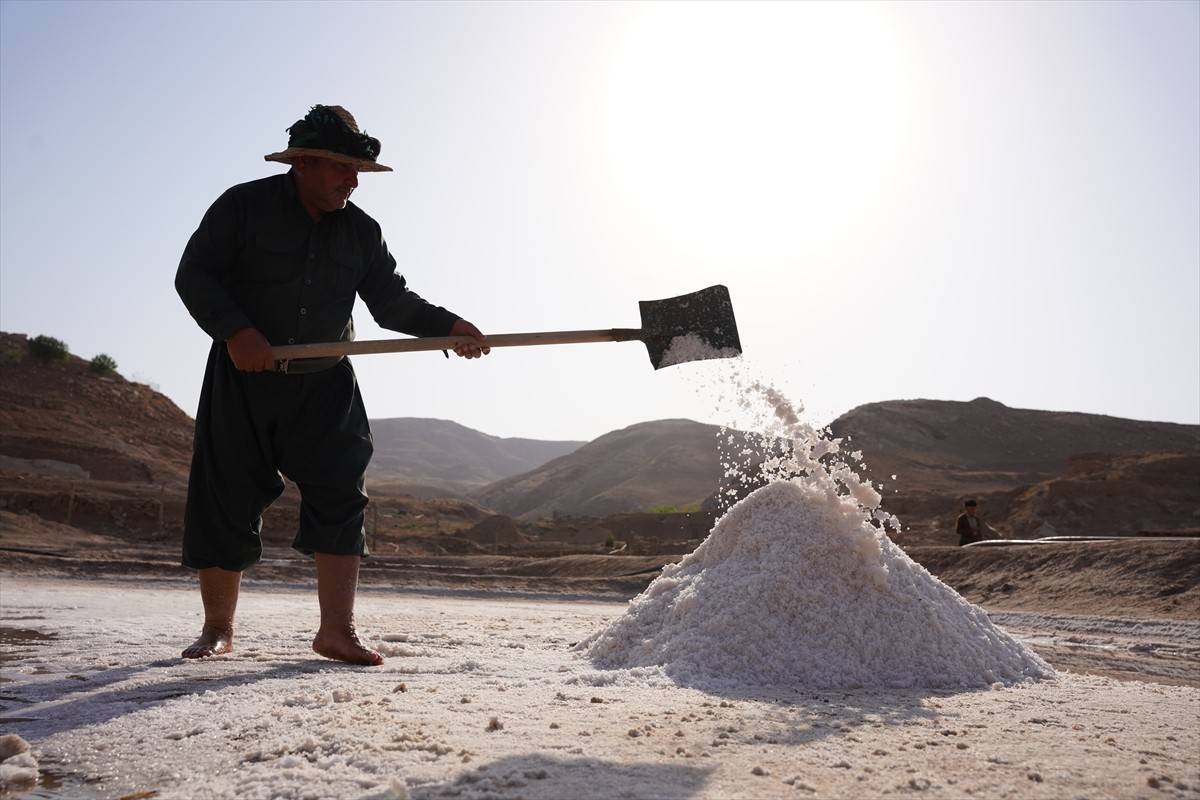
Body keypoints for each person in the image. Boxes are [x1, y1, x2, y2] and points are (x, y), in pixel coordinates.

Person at [175, 104, 489, 665]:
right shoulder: (242, 206)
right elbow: (193, 274)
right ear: (304, 163)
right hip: (243, 379)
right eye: (343, 169)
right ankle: (218, 629)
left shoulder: (362, 232)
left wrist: (449, 326)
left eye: (358, 171)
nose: (353, 182)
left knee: (342, 496)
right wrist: (236, 331)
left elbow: (391, 302)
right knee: (224, 498)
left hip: (326, 387)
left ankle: (337, 632)